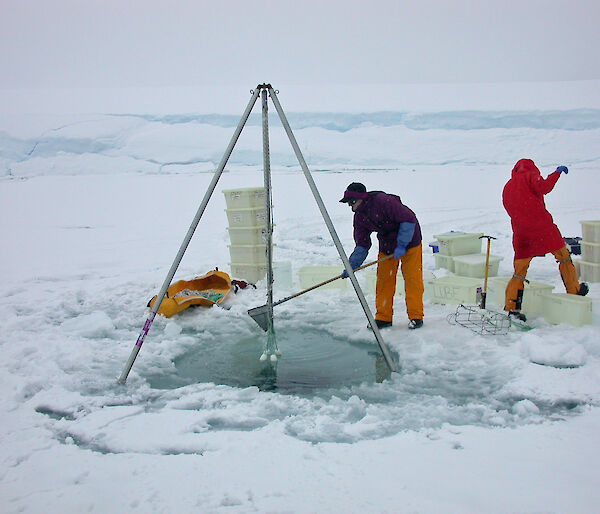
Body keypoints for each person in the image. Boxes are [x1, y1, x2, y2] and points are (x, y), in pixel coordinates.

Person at [502, 158, 588, 321]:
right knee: (563, 256)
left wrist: (523, 220)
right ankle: (574, 290)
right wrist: (556, 173)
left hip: (522, 233)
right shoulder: (529, 175)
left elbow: (509, 208)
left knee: (519, 272)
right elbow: (544, 187)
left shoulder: (508, 187)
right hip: (543, 229)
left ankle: (512, 307)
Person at [339, 182, 424, 330]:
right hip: (388, 246)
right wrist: (352, 264)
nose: (349, 206)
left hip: (410, 241)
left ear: (360, 199)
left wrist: (402, 244)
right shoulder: (359, 217)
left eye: (351, 202)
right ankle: (383, 318)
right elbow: (362, 243)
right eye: (347, 203)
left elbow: (409, 219)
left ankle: (416, 316)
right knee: (384, 281)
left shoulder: (383, 202)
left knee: (412, 279)